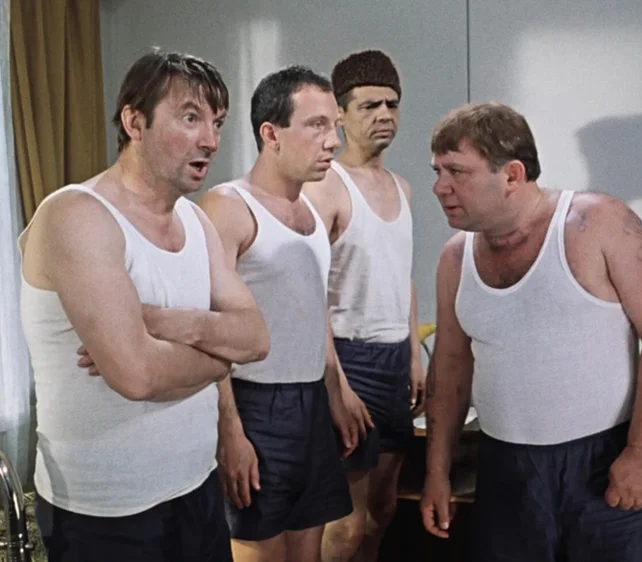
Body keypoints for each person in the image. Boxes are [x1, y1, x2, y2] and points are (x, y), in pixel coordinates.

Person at [18, 50, 270, 561]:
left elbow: (256, 338)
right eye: (190, 118)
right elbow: (137, 375)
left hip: (195, 485)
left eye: (217, 122)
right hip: (104, 511)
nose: (210, 140)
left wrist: (168, 323)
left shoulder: (196, 221)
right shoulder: (77, 214)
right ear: (134, 122)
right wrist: (221, 357)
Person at [420, 102, 642, 561]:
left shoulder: (597, 223)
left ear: (512, 175)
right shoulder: (455, 259)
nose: (440, 187)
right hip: (505, 469)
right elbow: (449, 369)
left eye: (456, 172)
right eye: (437, 171)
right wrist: (436, 472)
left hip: (602, 462)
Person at [198, 65, 354, 562]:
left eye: (334, 126)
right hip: (254, 402)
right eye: (317, 126)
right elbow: (208, 328)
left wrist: (335, 390)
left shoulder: (312, 213)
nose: (333, 141)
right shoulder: (228, 205)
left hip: (309, 402)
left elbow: (312, 311)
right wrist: (230, 430)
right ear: (271, 134)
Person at [303, 49, 423, 562]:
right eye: (370, 105)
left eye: (391, 104)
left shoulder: (403, 187)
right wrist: (337, 383)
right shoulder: (325, 186)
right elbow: (308, 294)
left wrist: (414, 355)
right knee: (346, 526)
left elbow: (403, 275)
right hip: (349, 358)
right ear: (340, 114)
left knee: (383, 511)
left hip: (395, 359)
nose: (384, 115)